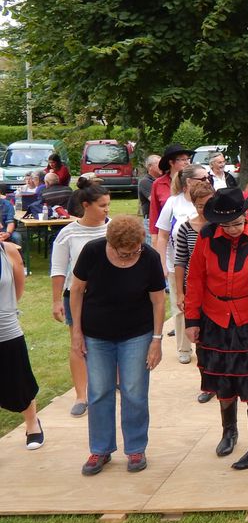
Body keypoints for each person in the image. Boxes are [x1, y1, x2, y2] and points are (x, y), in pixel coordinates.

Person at [185, 188, 248, 470]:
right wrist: (191, 319)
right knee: (222, 377)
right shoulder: (207, 235)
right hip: (215, 317)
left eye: (237, 222)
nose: (233, 229)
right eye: (226, 225)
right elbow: (196, 277)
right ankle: (228, 431)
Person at [70, 215, 165, 475]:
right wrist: (76, 332)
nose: (130, 257)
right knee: (99, 392)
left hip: (137, 334)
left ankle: (135, 448)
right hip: (97, 335)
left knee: (134, 391)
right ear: (110, 244)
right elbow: (76, 291)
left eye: (134, 251)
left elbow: (158, 301)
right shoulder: (92, 252)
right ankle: (100, 449)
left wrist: (156, 340)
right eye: (124, 254)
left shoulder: (149, 257)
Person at [50, 176, 112, 417]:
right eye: (102, 205)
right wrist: (56, 301)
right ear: (86, 205)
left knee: (112, 340)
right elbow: (58, 269)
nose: (107, 210)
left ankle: (113, 382)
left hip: (110, 297)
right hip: (77, 296)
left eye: (108, 205)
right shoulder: (68, 233)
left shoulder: (113, 228)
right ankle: (81, 395)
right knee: (78, 343)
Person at [155, 164, 209, 365]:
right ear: (189, 182)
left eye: (207, 178)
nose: (206, 181)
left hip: (205, 266)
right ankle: (184, 347)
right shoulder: (173, 203)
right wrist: (162, 264)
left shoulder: (209, 200)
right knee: (181, 307)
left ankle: (204, 344)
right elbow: (161, 235)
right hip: (178, 262)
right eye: (202, 178)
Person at [172, 180, 215, 402]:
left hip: (219, 290)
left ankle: (223, 379)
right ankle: (207, 384)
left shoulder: (222, 225)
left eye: (208, 204)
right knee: (201, 340)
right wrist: (180, 293)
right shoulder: (187, 228)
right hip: (195, 290)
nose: (203, 209)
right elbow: (180, 261)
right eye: (199, 205)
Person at [1, 235, 43, 451]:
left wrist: (7, 311)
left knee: (19, 378)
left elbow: (18, 289)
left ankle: (32, 423)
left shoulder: (8, 251)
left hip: (6, 327)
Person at [148, 143, 194, 239]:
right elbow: (154, 213)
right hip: (166, 236)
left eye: (188, 159)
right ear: (171, 163)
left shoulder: (194, 181)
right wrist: (154, 238)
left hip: (192, 234)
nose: (187, 162)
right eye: (183, 159)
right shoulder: (158, 183)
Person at [137, 155, 161, 243]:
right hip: (151, 220)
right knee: (152, 246)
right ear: (150, 166)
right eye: (158, 164)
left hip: (161, 219)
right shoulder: (145, 182)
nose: (162, 166)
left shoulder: (163, 180)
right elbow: (157, 201)